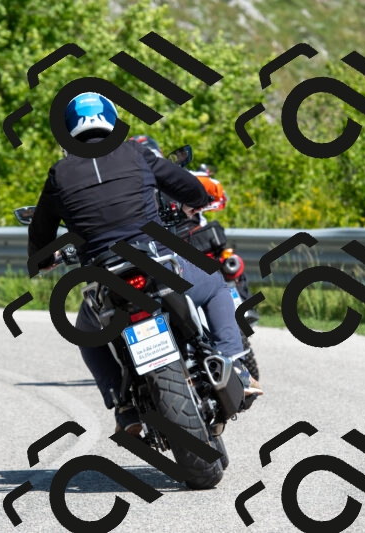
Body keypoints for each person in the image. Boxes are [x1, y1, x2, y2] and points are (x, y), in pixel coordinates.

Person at [27, 93, 262, 436]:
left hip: (105, 278)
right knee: (214, 285)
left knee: (88, 334)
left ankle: (123, 405)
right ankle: (234, 363)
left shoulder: (59, 174)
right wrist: (196, 200)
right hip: (155, 263)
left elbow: (40, 234)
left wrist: (45, 259)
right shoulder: (135, 153)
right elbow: (188, 187)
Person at [128, 135, 257, 311]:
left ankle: (240, 305)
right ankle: (242, 308)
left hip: (167, 248)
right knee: (222, 272)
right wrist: (202, 203)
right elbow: (218, 192)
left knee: (227, 263)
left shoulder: (129, 190)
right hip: (182, 246)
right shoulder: (182, 176)